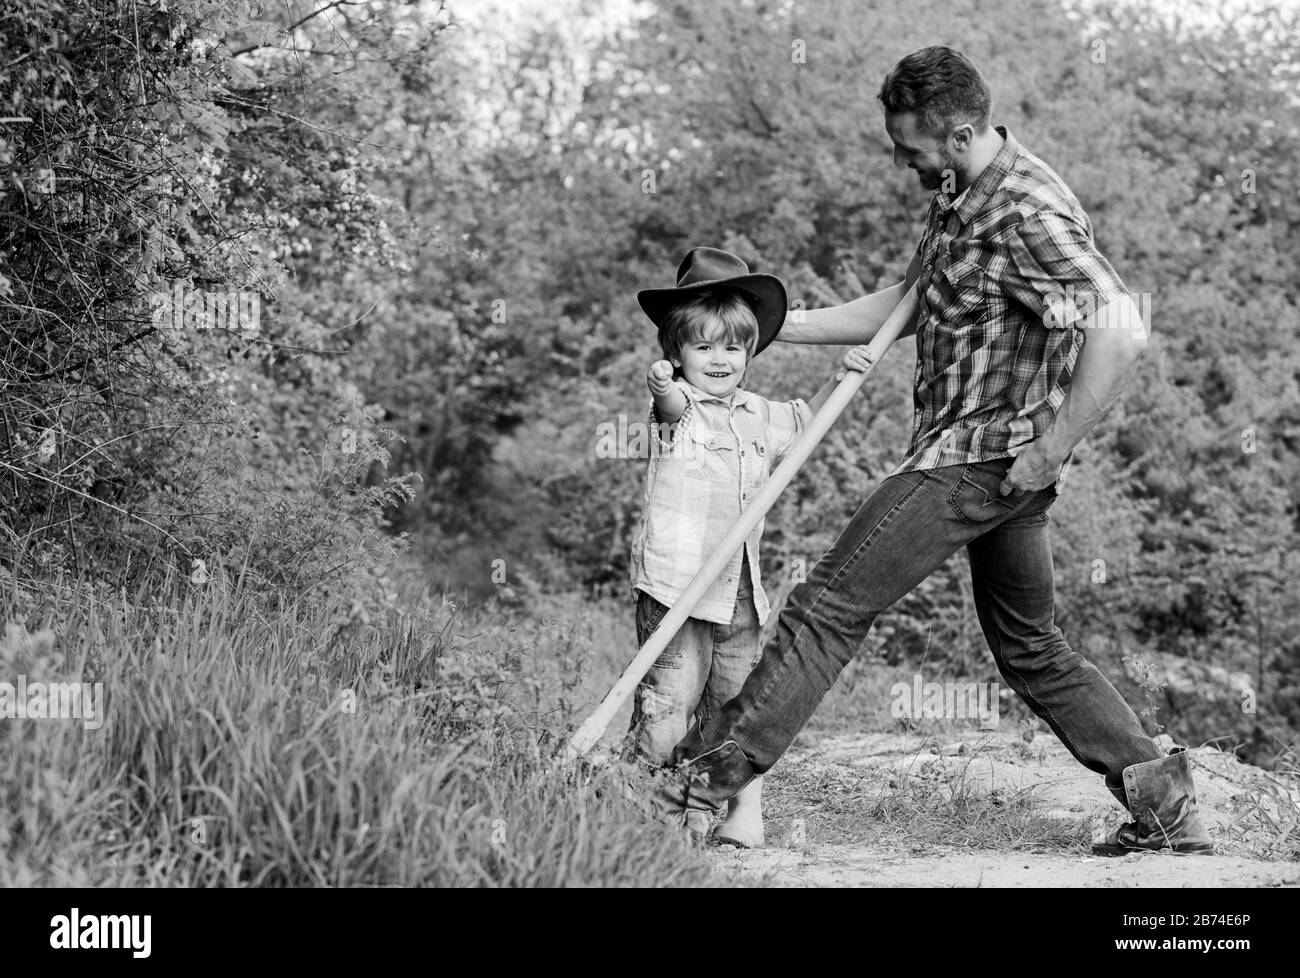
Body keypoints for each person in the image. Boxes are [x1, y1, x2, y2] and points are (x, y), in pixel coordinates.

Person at [652, 48, 1213, 857]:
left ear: (957, 133)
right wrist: (774, 324)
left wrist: (1051, 450)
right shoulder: (961, 192)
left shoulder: (1026, 210)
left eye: (910, 146)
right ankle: (1165, 802)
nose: (901, 159)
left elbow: (1120, 328)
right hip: (988, 455)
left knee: (829, 607)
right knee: (1030, 647)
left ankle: (696, 787)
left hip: (978, 460)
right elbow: (911, 303)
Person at [626, 246, 870, 846]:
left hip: (739, 592)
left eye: (731, 346)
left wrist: (842, 377)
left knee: (732, 704)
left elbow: (809, 422)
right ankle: (645, 811)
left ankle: (709, 812)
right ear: (676, 353)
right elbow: (669, 404)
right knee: (667, 707)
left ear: (750, 352)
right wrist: (660, 387)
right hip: (676, 587)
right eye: (702, 346)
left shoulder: (761, 415)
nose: (718, 359)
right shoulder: (681, 410)